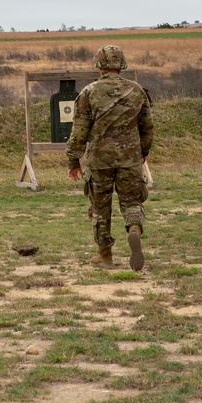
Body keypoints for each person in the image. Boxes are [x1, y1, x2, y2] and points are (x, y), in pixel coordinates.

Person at [66, 46, 153, 271]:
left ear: (99, 65)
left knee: (100, 208)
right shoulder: (137, 91)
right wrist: (143, 152)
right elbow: (147, 126)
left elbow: (79, 131)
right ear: (121, 64)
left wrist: (73, 160)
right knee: (132, 201)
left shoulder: (88, 92)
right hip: (129, 158)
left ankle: (105, 256)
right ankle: (134, 228)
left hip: (99, 159)